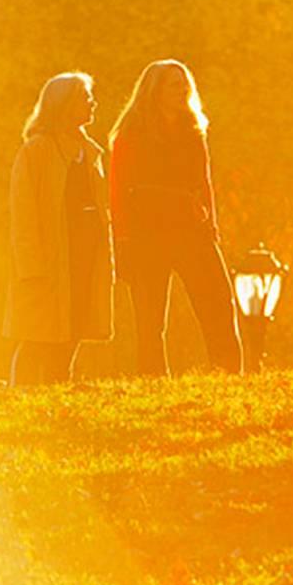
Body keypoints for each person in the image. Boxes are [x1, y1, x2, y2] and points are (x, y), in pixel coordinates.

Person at [109, 60, 242, 376]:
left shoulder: (193, 130)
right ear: (155, 92)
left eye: (184, 83)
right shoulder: (131, 133)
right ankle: (153, 380)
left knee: (219, 305)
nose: (182, 90)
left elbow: (204, 182)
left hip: (191, 231)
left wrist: (211, 227)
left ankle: (227, 373)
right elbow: (117, 189)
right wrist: (122, 238)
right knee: (150, 319)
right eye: (173, 84)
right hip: (147, 233)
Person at [3, 73, 114, 385]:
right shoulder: (37, 150)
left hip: (86, 252)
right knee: (38, 333)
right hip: (50, 257)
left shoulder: (91, 152)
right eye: (84, 97)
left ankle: (57, 388)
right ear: (63, 105)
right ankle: (20, 392)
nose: (92, 103)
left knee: (75, 323)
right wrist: (31, 265)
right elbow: (23, 213)